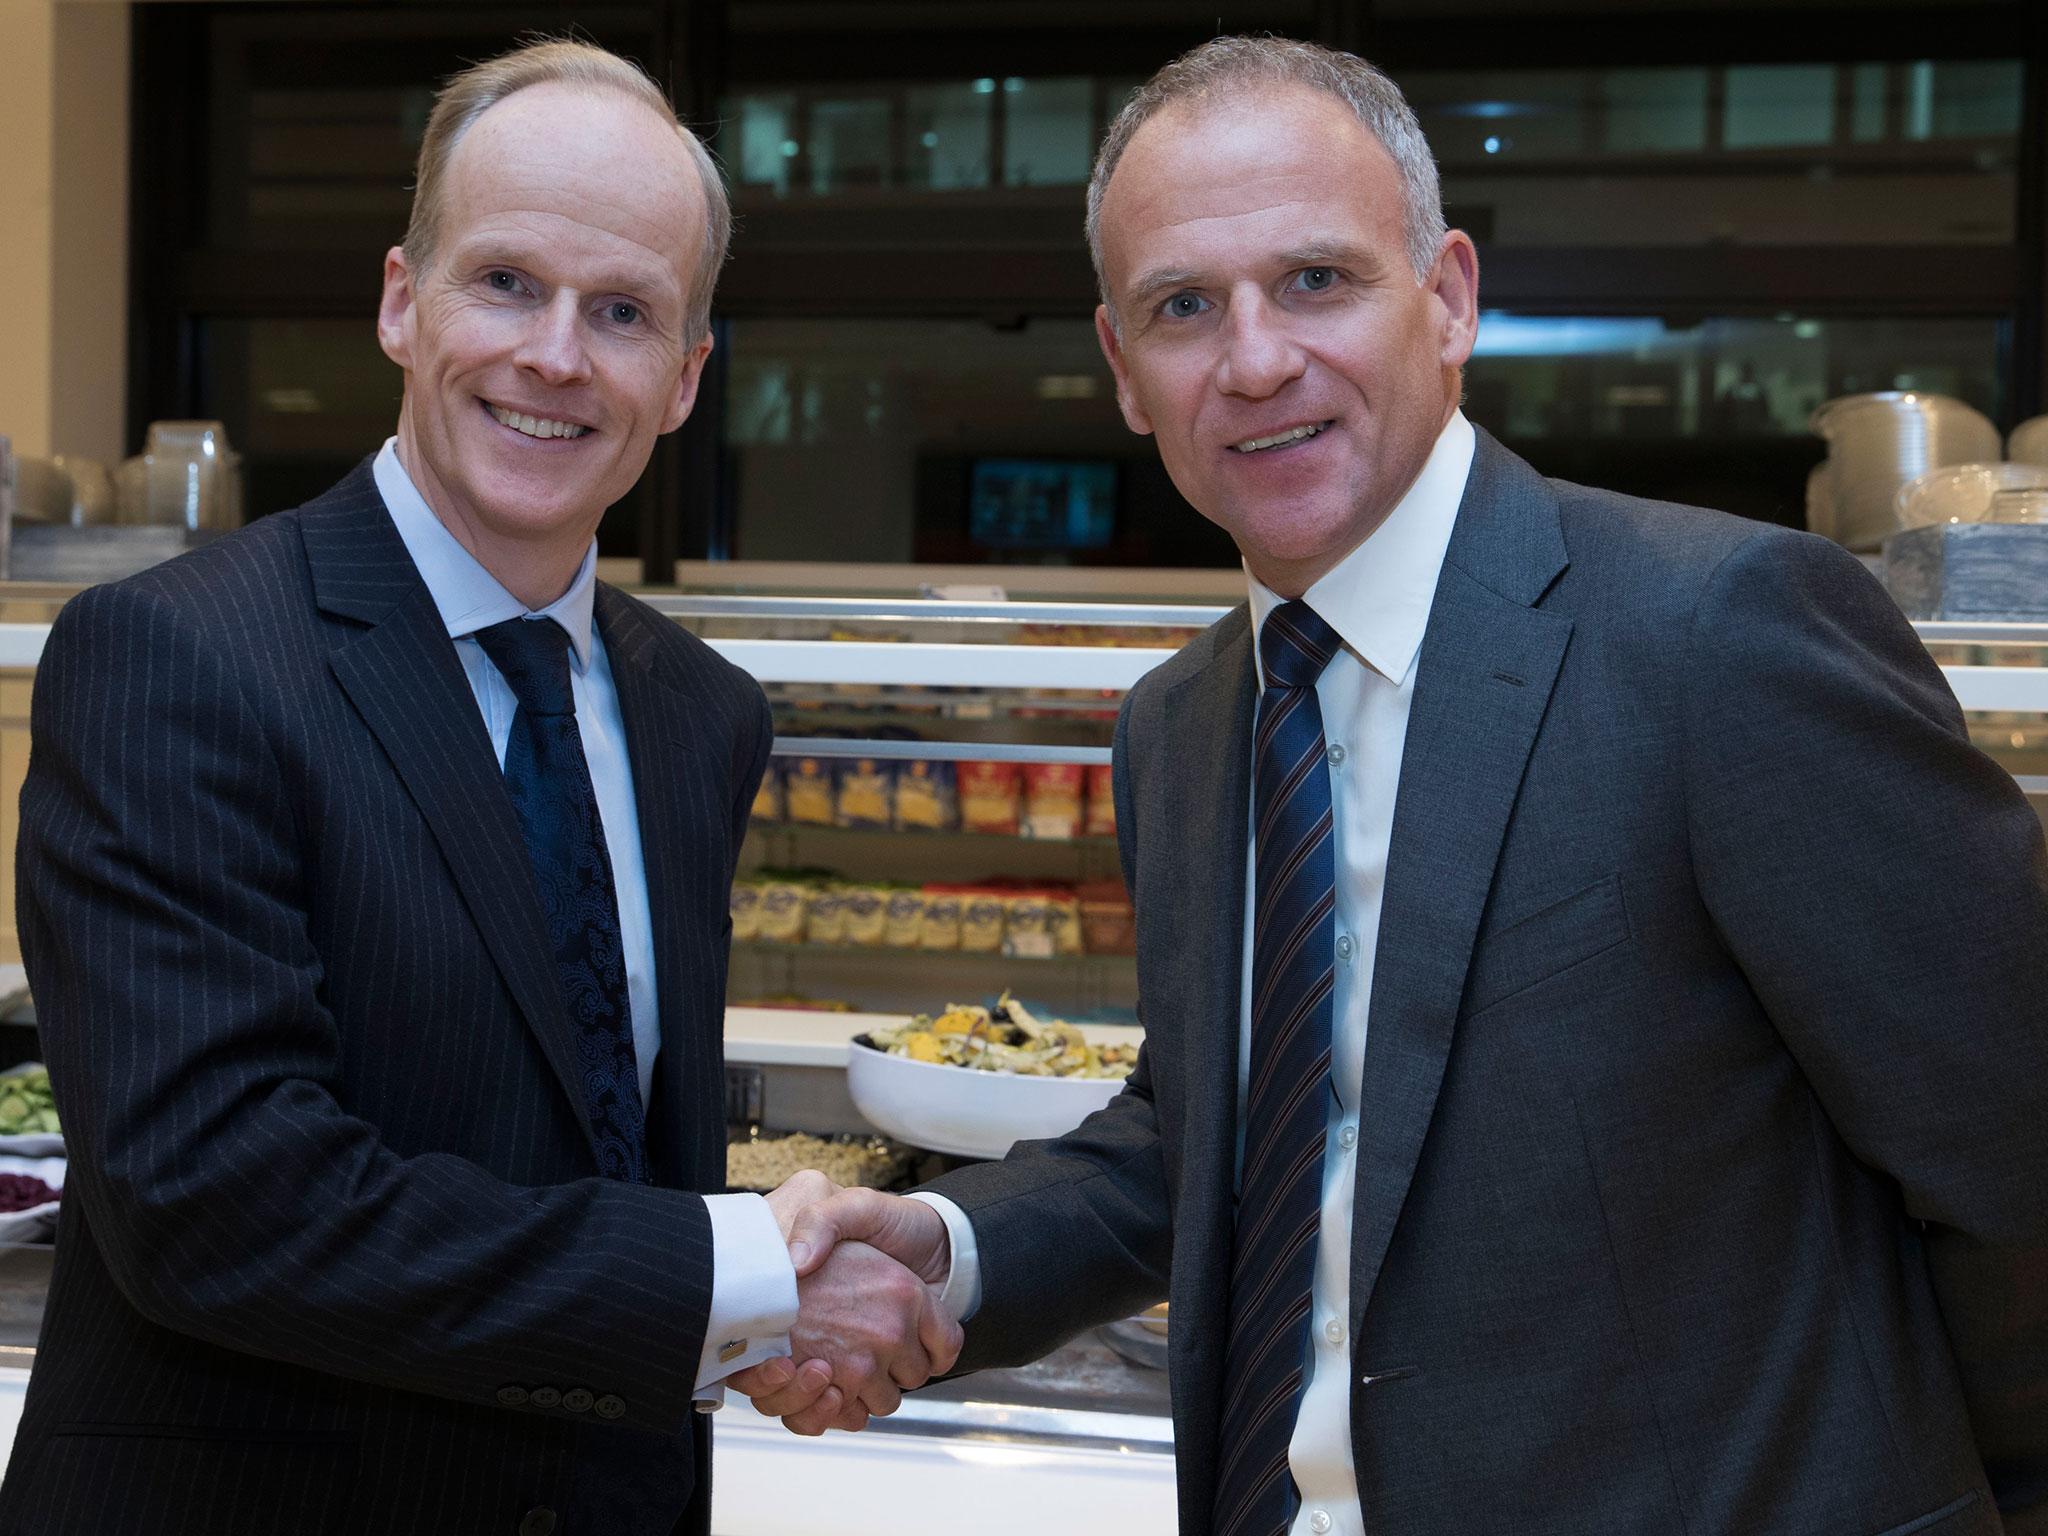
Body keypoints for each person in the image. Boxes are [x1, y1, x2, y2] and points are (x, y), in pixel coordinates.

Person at [747, 36, 2048, 1536]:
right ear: (1121, 369)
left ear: (1448, 300)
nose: (1253, 361)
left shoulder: (1718, 634)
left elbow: (2010, 1168)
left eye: (1317, 281)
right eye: (1185, 307)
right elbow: (1210, 1137)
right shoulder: (1185, 724)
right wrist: (938, 1246)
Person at [2, 39, 949, 1536]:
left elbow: (616, 1156)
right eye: (505, 281)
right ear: (402, 300)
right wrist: (742, 1278)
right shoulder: (174, 657)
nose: (557, 355)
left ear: (687, 377)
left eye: (624, 312)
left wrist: (756, 1328)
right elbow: (219, 1199)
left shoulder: (699, 714)